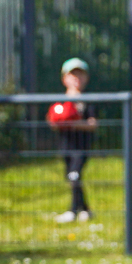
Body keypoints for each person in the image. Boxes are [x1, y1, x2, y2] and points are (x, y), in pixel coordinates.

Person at [49, 58, 97, 224]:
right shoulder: (60, 100)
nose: (77, 78)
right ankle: (85, 209)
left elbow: (93, 123)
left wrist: (75, 123)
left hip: (81, 146)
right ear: (65, 79)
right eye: (72, 74)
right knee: (71, 177)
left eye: (80, 74)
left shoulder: (87, 99)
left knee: (74, 175)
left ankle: (72, 211)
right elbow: (52, 119)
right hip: (65, 146)